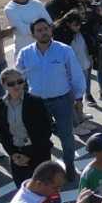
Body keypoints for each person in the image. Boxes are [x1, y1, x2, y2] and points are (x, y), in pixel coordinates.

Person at [15, 19, 85, 181]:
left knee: (67, 136)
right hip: (37, 103)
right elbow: (18, 76)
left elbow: (75, 74)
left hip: (62, 100)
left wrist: (78, 96)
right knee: (40, 139)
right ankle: (47, 173)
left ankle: (69, 167)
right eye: (39, 30)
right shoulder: (25, 53)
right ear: (33, 34)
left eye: (46, 29)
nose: (43, 32)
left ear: (51, 30)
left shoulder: (64, 50)